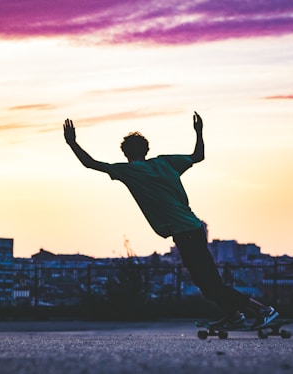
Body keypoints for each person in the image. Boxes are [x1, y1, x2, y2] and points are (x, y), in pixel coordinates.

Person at [63, 112, 279, 329]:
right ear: (146, 151)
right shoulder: (167, 163)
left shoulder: (128, 171)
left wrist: (72, 143)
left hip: (186, 232)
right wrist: (199, 132)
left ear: (125, 153)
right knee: (204, 282)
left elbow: (90, 163)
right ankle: (233, 315)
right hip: (191, 228)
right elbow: (198, 155)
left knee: (211, 284)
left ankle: (262, 310)